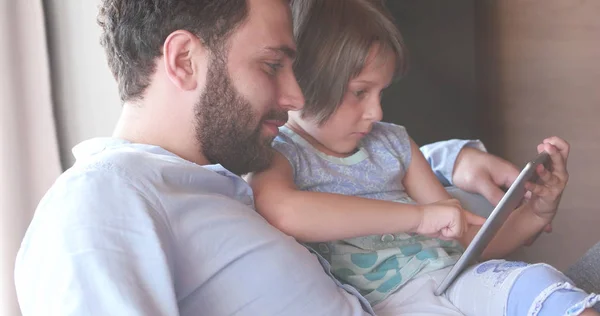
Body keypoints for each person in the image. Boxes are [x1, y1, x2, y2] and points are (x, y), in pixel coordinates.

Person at [11, 0, 591, 315]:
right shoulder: (98, 203)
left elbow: (341, 161)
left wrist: (451, 158)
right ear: (185, 60)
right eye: (271, 66)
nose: (294, 98)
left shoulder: (215, 178)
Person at [248, 0, 600, 315]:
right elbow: (283, 211)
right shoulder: (283, 152)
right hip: (392, 303)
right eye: (360, 92)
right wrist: (416, 218)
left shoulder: (394, 144)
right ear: (305, 81)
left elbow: (469, 239)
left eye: (381, 92)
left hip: (455, 279)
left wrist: (536, 212)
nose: (376, 111)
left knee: (537, 282)